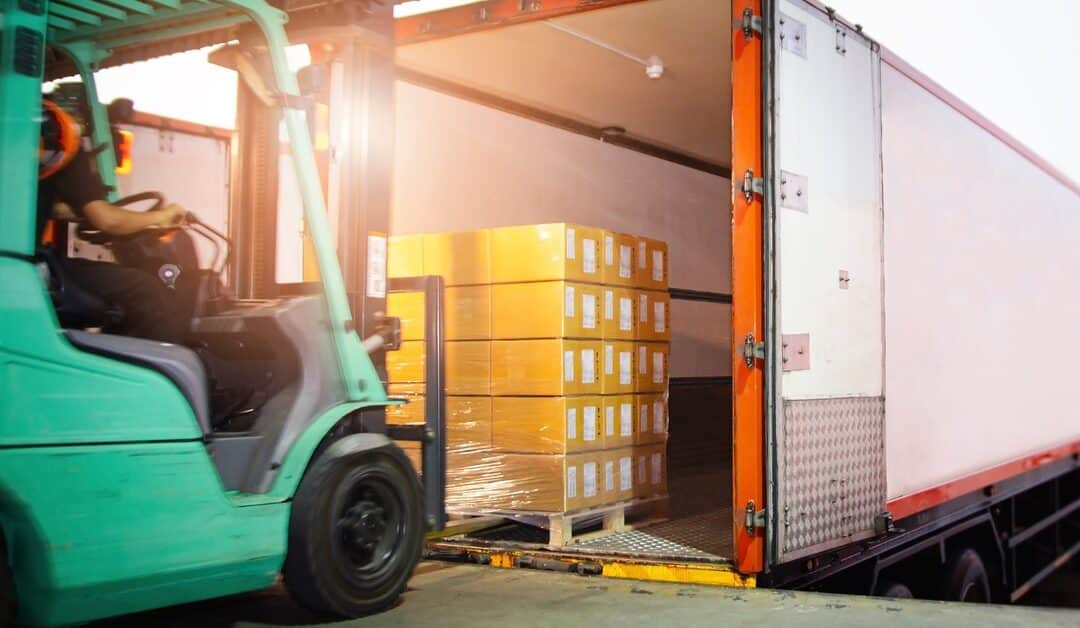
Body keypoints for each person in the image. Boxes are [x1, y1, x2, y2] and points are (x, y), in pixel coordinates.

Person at [38, 97, 189, 344]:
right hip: (34, 266)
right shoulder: (61, 138)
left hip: (25, 261)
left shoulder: (29, 138)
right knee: (148, 290)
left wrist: (66, 211)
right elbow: (107, 220)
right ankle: (146, 368)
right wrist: (161, 217)